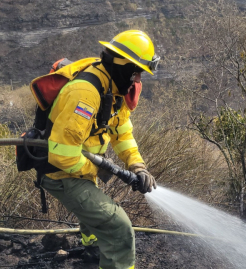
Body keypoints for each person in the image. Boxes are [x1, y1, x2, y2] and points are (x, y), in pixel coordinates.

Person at [39, 30, 159, 269]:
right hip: (59, 173)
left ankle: (92, 247)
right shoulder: (85, 94)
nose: (137, 81)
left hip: (77, 168)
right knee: (118, 227)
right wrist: (105, 169)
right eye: (136, 73)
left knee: (95, 205)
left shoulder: (112, 88)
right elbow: (63, 156)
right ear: (123, 66)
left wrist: (137, 166)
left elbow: (122, 133)